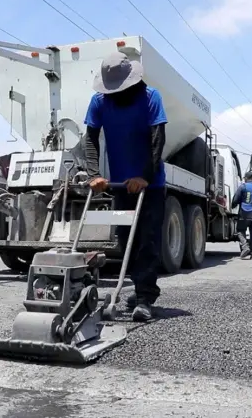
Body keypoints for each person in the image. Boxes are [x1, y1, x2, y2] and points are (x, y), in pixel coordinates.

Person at [83, 51, 167, 322]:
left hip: (151, 187)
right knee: (124, 240)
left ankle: (144, 297)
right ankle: (138, 288)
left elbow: (158, 140)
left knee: (147, 241)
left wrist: (144, 177)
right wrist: (94, 174)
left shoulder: (151, 97)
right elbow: (90, 140)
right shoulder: (99, 102)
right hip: (120, 186)